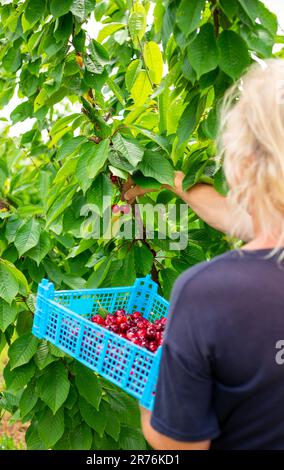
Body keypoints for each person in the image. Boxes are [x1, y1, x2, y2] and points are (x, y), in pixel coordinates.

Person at [125, 59, 284, 450]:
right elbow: (236, 217)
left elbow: (179, 446)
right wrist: (166, 180)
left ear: (243, 166)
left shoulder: (208, 294)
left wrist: (148, 393)